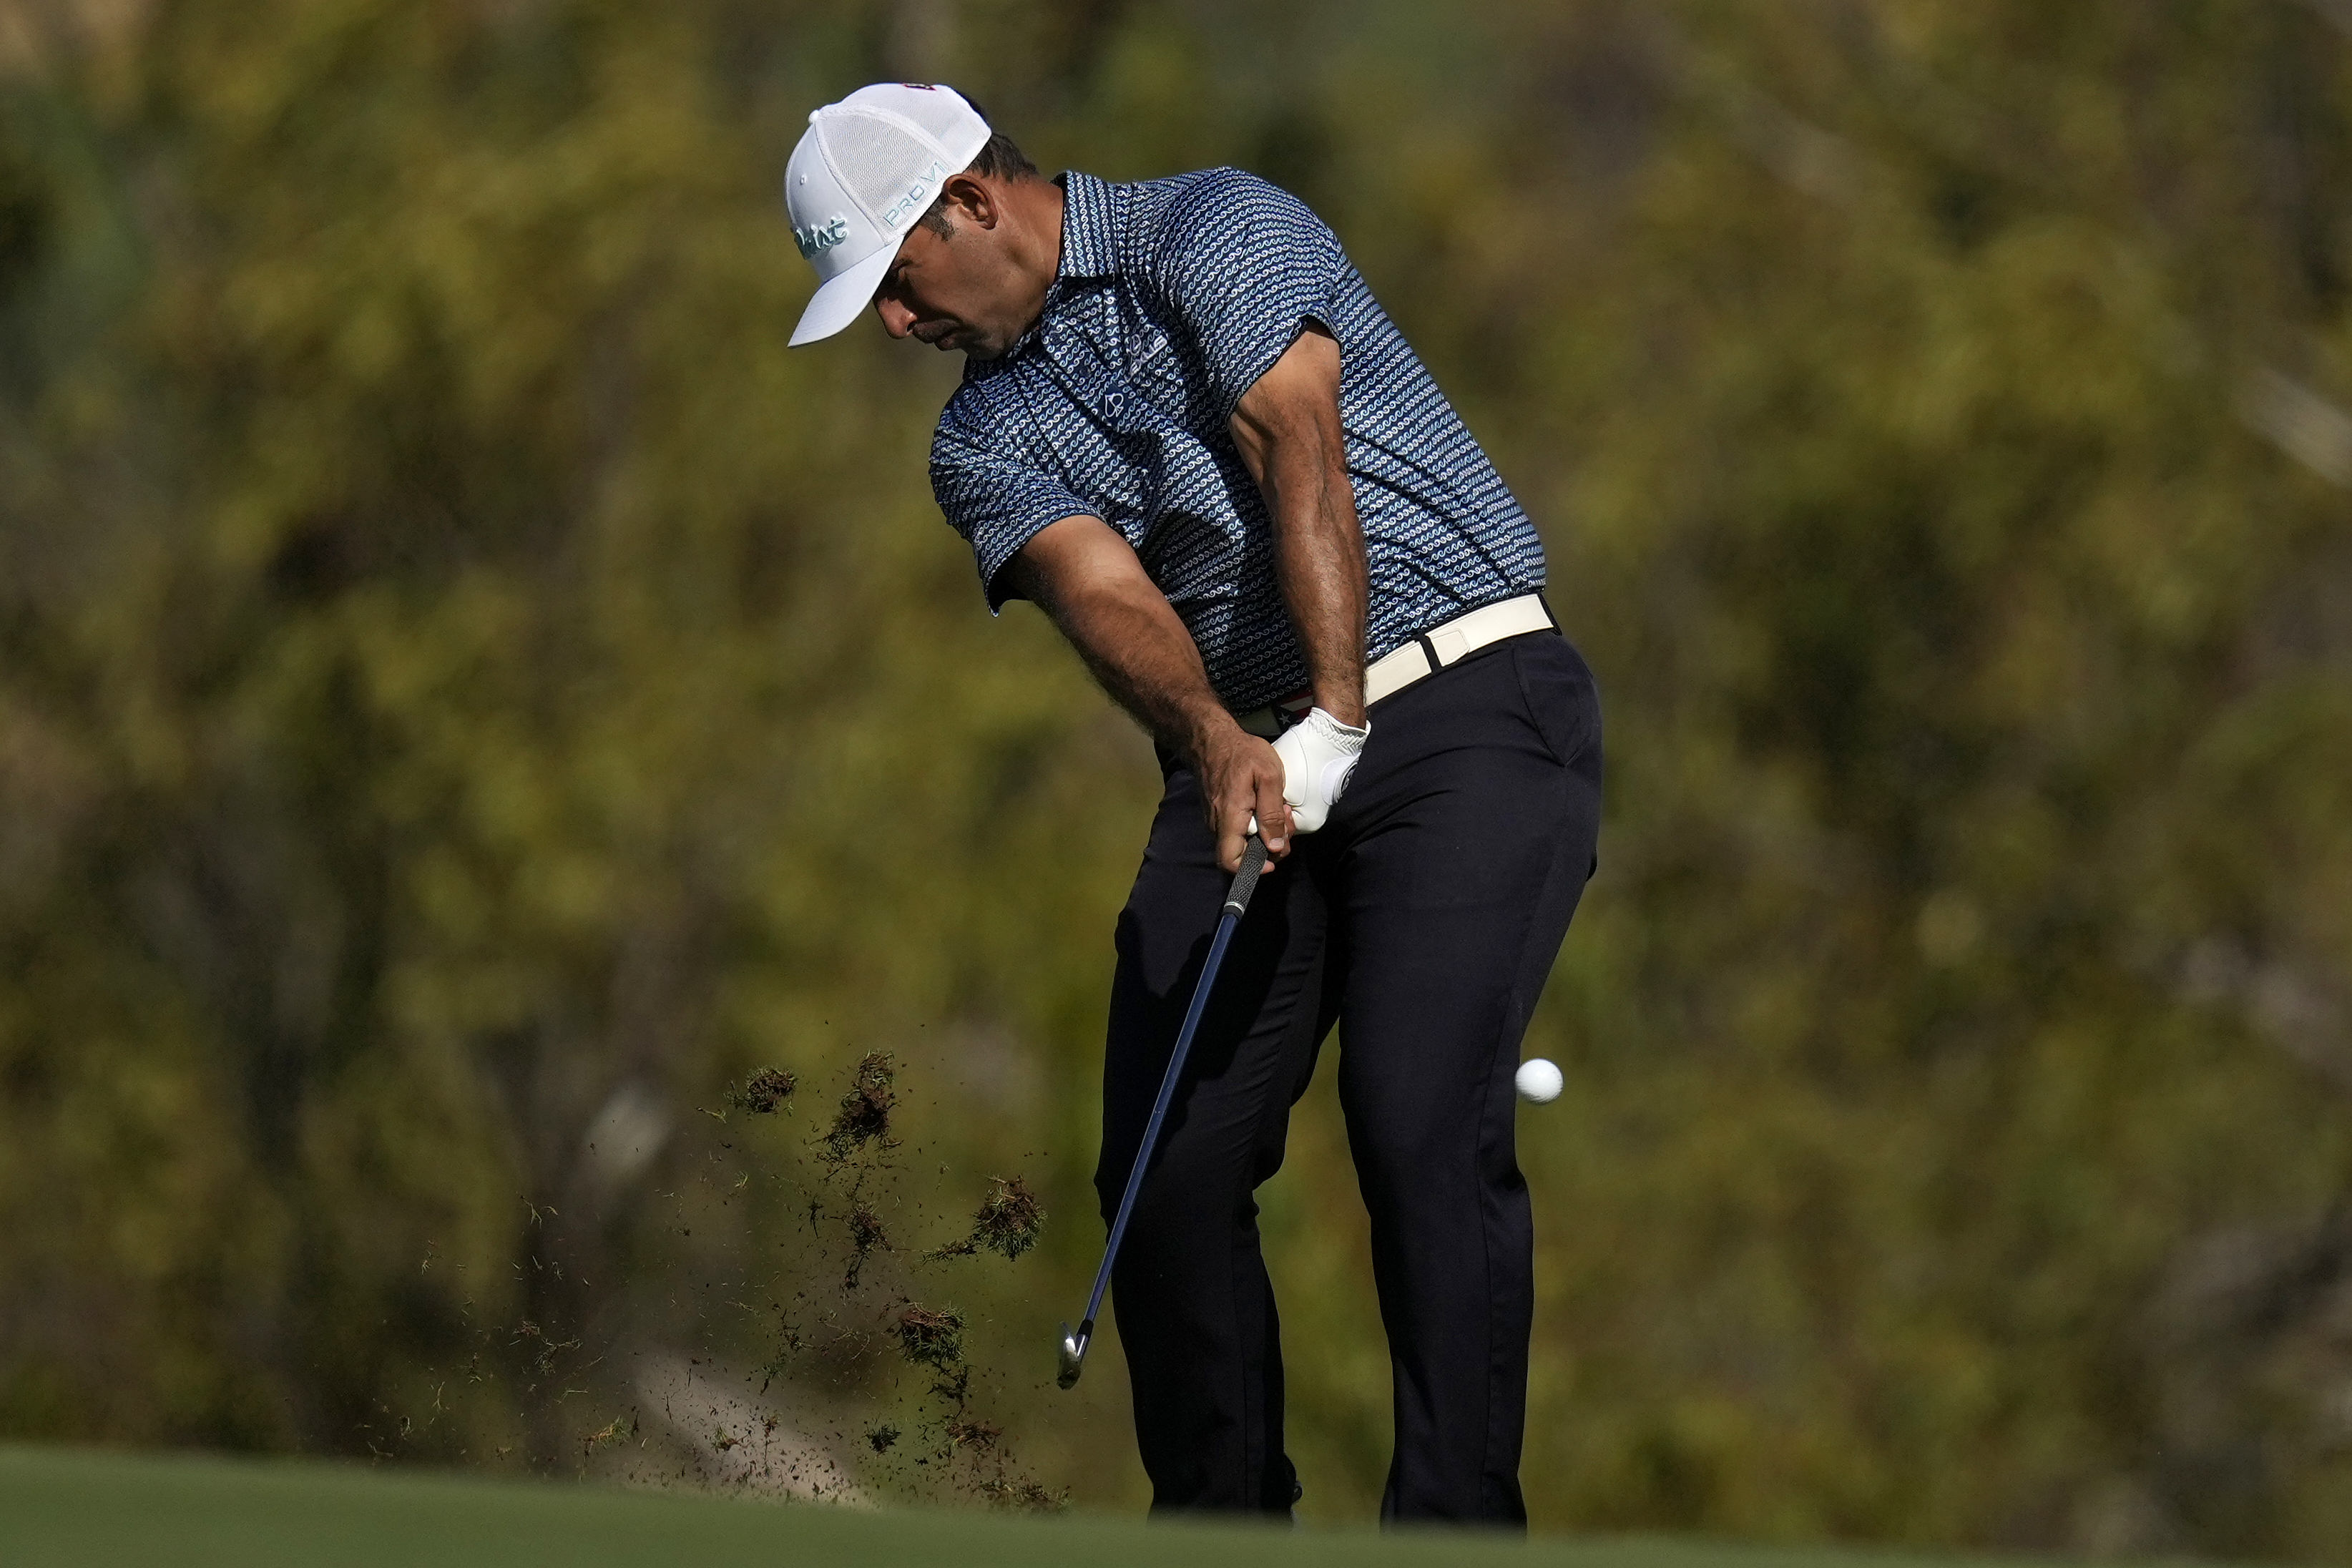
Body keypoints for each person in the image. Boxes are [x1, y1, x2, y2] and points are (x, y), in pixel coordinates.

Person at [784, 83, 1601, 1525]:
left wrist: (1339, 713)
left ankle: (1456, 1532)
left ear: (974, 201)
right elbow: (1102, 591)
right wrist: (1223, 736)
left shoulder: (1215, 228)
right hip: (1248, 754)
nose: (897, 329)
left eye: (898, 282)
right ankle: (1221, 1532)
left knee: (1416, 1119)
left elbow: (1302, 448)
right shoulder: (979, 440)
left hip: (1468, 704)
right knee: (1163, 1168)